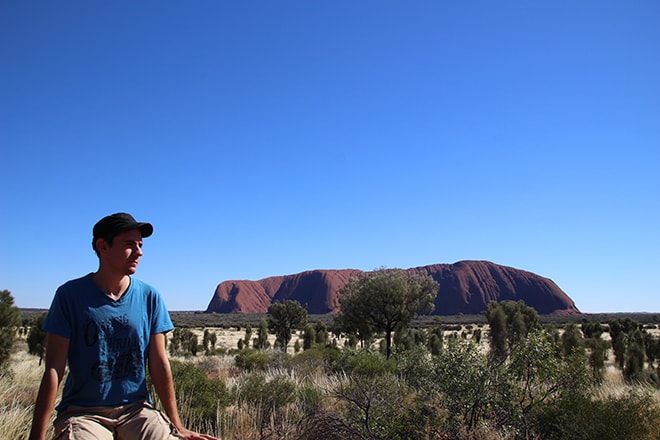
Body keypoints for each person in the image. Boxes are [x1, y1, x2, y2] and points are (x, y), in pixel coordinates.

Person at [29, 213, 218, 440]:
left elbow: (159, 363)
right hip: (84, 413)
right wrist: (36, 436)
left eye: (140, 245)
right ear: (103, 246)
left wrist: (177, 426)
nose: (139, 252)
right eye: (130, 245)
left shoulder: (150, 297)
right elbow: (54, 370)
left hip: (137, 411)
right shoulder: (69, 295)